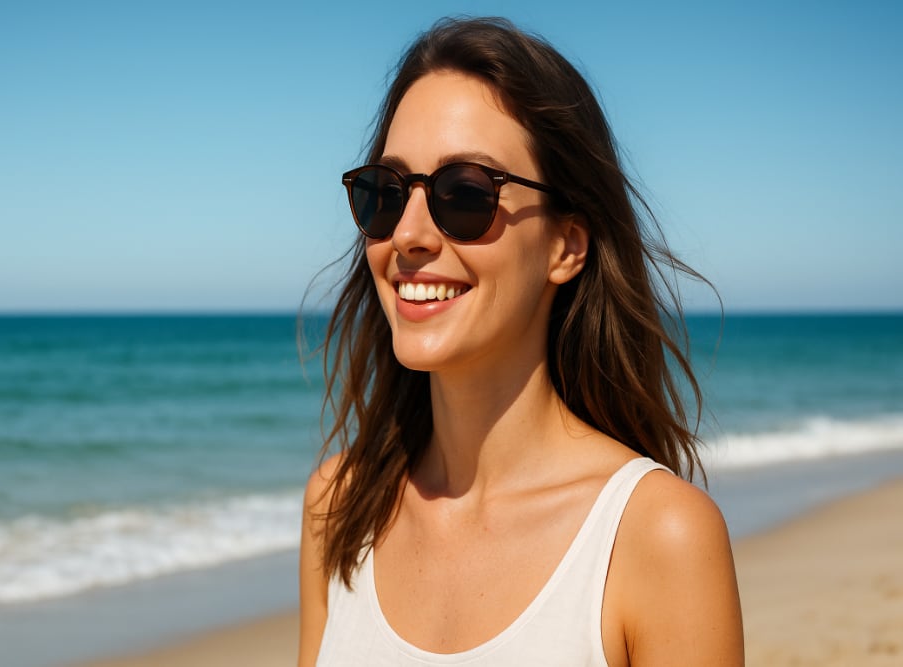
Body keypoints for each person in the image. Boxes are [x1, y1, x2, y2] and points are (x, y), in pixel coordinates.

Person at [299, 16, 743, 667]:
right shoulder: (338, 504)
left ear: (567, 245)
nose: (410, 234)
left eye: (465, 194)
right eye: (385, 193)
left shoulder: (653, 535)